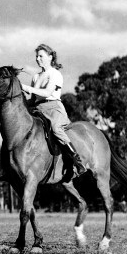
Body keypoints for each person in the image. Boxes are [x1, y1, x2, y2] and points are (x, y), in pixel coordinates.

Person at [20, 43, 90, 182]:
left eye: (41, 56)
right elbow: (33, 100)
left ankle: (77, 160)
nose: (38, 59)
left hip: (54, 109)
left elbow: (47, 93)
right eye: (36, 56)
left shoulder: (55, 74)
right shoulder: (35, 77)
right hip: (38, 109)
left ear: (50, 57)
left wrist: (27, 88)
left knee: (57, 129)